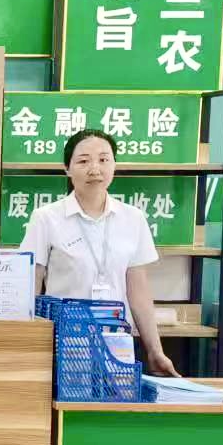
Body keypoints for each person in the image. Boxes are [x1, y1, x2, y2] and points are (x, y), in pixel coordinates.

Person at [21, 129, 176, 377]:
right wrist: (28, 350)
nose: (95, 169)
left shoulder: (133, 218)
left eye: (104, 159)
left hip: (118, 347)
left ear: (114, 165)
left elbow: (138, 292)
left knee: (115, 400)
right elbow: (31, 287)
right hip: (65, 344)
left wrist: (155, 350)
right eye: (83, 161)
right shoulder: (46, 218)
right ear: (67, 168)